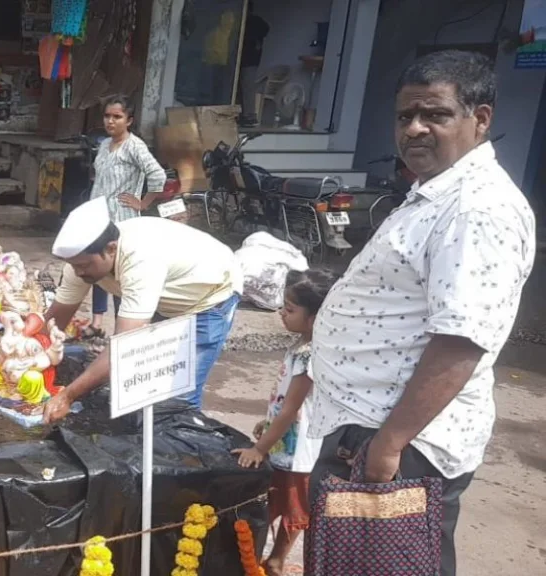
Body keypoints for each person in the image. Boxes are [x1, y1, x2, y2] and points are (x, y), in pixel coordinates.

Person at [307, 50, 535, 576]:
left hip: (401, 440)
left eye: (435, 114)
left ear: (480, 118)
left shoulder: (476, 209)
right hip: (370, 426)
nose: (414, 129)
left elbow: (461, 340)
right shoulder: (437, 192)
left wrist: (390, 443)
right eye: (405, 115)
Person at [41, 197, 242, 424]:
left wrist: (67, 396)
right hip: (165, 297)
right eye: (74, 265)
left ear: (111, 248)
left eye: (84, 265)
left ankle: (180, 437)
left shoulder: (141, 259)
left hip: (210, 296)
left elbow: (124, 348)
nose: (78, 272)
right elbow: (55, 320)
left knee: (178, 397)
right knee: (143, 381)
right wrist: (29, 353)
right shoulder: (80, 262)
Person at [232, 268, 338, 576]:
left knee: (292, 506)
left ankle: (277, 560)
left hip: (298, 453)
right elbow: (284, 403)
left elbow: (291, 409)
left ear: (315, 318)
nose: (281, 313)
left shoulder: (310, 355)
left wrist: (260, 448)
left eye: (290, 309)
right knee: (276, 500)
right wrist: (266, 426)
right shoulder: (301, 346)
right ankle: (265, 558)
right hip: (284, 443)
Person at [80, 94, 167, 339]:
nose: (111, 121)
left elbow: (158, 175)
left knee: (120, 275)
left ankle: (122, 333)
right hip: (100, 218)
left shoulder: (134, 146)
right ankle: (97, 322)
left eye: (117, 117)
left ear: (129, 120)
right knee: (97, 268)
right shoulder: (104, 145)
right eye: (107, 116)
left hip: (123, 221)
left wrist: (143, 202)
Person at [238, 2, 269, 127]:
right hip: (247, 60)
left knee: (247, 87)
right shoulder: (255, 22)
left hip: (248, 60)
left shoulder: (251, 22)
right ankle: (245, 115)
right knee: (244, 87)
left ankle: (249, 116)